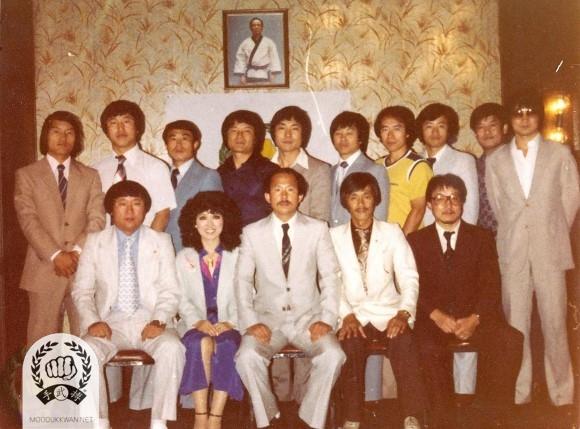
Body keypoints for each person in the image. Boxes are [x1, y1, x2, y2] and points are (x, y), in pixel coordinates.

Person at [485, 89, 580, 407]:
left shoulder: (559, 154)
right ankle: (520, 392)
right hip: (513, 250)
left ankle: (562, 394)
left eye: (530, 112)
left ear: (539, 117)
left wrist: (549, 230)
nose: (524, 119)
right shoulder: (496, 159)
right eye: (518, 113)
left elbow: (570, 199)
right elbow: (499, 205)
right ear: (509, 120)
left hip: (550, 249)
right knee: (516, 324)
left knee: (555, 323)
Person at [408, 174, 523, 429]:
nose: (448, 204)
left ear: (462, 202)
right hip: (434, 320)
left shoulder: (481, 237)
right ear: (429, 205)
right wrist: (435, 314)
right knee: (425, 346)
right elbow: (412, 286)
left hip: (475, 318)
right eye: (440, 198)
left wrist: (475, 318)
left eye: (454, 198)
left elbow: (491, 284)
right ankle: (442, 420)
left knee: (510, 340)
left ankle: (491, 416)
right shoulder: (416, 241)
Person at [235, 168, 345, 429]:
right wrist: (251, 321)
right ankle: (269, 418)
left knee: (333, 355)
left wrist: (327, 318)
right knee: (246, 356)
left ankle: (310, 419)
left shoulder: (317, 229)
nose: (284, 195)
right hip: (267, 321)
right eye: (277, 189)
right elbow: (242, 280)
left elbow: (330, 277)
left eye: (290, 190)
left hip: (308, 320)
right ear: (267, 196)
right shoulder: (251, 232)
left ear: (300, 196)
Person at [72, 181, 185, 429]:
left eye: (137, 204)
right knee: (85, 350)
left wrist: (159, 320)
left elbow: (170, 290)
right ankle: (99, 422)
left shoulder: (161, 240)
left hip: (149, 320)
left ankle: (159, 421)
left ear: (146, 210)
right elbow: (82, 290)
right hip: (110, 323)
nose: (130, 211)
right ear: (111, 210)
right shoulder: (95, 242)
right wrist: (93, 321)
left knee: (173, 348)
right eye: (122, 204)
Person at [331, 172, 426, 429]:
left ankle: (412, 416)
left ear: (376, 199)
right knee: (348, 346)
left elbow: (409, 276)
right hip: (354, 315)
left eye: (367, 196)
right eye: (354, 197)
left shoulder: (392, 232)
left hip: (389, 312)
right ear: (345, 201)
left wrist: (404, 313)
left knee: (405, 342)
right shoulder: (333, 236)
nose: (361, 204)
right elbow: (330, 282)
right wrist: (346, 315)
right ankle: (352, 418)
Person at [14, 111, 105, 346]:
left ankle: (84, 374)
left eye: (69, 132)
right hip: (43, 269)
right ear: (46, 135)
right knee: (42, 345)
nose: (63, 138)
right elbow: (28, 220)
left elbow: (97, 219)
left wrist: (75, 253)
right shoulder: (26, 175)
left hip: (82, 268)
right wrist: (56, 255)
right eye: (56, 131)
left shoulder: (90, 176)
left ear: (77, 138)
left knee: (87, 341)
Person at [176, 191, 243, 429]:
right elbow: (180, 297)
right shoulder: (184, 257)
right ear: (193, 223)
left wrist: (231, 322)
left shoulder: (239, 255)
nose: (210, 224)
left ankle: (215, 417)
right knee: (199, 343)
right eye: (202, 217)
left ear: (226, 220)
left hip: (230, 323)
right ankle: (200, 415)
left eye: (216, 216)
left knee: (226, 344)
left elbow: (247, 295)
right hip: (195, 325)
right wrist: (197, 321)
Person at [94, 99, 176, 231]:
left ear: (137, 128)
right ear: (106, 130)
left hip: (144, 241)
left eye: (126, 121)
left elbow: (163, 214)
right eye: (113, 123)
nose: (120, 128)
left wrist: (146, 243)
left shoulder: (156, 167)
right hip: (105, 242)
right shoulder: (96, 170)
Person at [164, 120, 223, 251]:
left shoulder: (208, 176)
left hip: (190, 253)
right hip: (159, 253)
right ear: (166, 145)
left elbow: (213, 225)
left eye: (185, 139)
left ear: (195, 144)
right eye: (173, 139)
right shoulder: (160, 174)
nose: (178, 144)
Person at [416, 103, 478, 225]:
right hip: (418, 233)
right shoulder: (414, 162)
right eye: (429, 126)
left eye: (441, 126)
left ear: (449, 130)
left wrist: (464, 235)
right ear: (421, 130)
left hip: (452, 232)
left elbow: (471, 207)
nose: (435, 132)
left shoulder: (464, 160)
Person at [374, 106, 433, 234]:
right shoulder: (377, 165)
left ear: (407, 133)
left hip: (406, 238)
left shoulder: (418, 166)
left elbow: (418, 210)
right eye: (385, 129)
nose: (390, 135)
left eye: (397, 129)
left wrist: (401, 241)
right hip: (379, 237)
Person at [217, 110, 278, 226]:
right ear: (226, 137)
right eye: (234, 131)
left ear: (256, 137)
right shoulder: (218, 174)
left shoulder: (271, 171)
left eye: (247, 131)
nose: (239, 136)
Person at [270, 105, 331, 222]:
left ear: (303, 133)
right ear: (274, 133)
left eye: (294, 128)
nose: (288, 134)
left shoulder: (319, 170)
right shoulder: (263, 169)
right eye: (282, 128)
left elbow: (320, 218)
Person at [330, 111, 389, 226]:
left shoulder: (376, 170)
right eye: (338, 133)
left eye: (349, 133)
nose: (343, 138)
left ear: (360, 138)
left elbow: (380, 216)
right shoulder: (329, 171)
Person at [469, 103, 508, 236]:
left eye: (492, 125)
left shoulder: (518, 161)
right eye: (481, 127)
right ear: (475, 134)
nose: (487, 132)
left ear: (504, 128)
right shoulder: (474, 166)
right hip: (485, 238)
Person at [233, 17, 282, 85]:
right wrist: (241, 75)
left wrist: (273, 74)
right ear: (250, 28)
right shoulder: (245, 43)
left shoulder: (269, 42)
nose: (256, 27)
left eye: (258, 25)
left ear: (262, 27)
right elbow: (240, 59)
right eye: (254, 25)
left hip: (265, 74)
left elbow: (274, 58)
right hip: (249, 74)